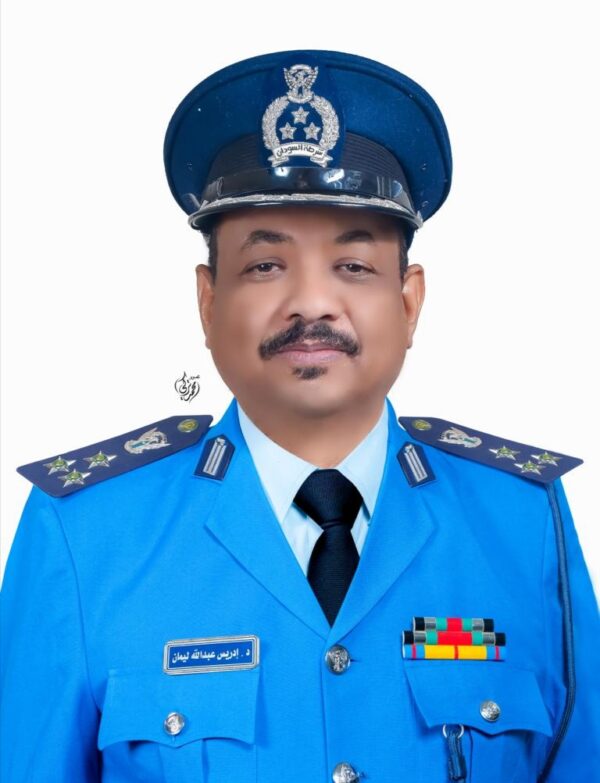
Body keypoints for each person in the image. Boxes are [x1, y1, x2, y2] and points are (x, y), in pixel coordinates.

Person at [1, 48, 598, 783]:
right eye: (265, 265)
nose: (312, 302)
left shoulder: (522, 520)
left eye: (354, 266)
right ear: (208, 302)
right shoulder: (85, 533)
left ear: (409, 301)